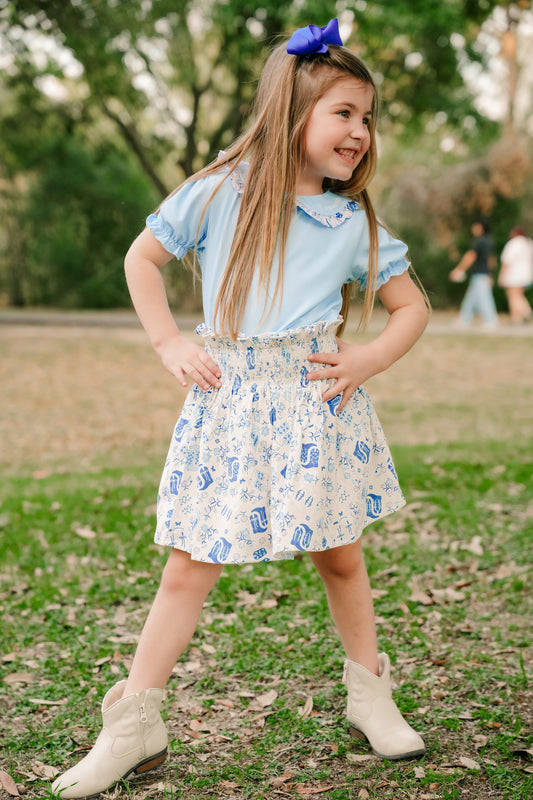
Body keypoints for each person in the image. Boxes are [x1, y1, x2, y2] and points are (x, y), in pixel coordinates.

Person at [52, 19, 429, 798]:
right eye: (343, 112)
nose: (359, 131)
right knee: (191, 564)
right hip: (230, 404)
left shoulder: (349, 220)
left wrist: (366, 359)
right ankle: (134, 723)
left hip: (316, 405)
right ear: (292, 111)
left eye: (366, 117)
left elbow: (411, 307)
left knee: (341, 555)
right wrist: (167, 342)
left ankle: (369, 693)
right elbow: (142, 258)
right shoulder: (219, 192)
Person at [449, 217, 498, 328]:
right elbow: (491, 260)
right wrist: (490, 274)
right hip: (483, 274)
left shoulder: (479, 241)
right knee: (471, 298)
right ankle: (464, 319)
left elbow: (471, 256)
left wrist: (459, 269)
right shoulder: (489, 240)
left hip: (480, 274)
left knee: (484, 299)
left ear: (480, 227)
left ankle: (490, 321)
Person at [498, 225, 533, 323]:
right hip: (526, 274)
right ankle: (516, 318)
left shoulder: (513, 243)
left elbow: (507, 261)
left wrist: (501, 276)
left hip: (514, 275)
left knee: (513, 296)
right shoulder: (529, 243)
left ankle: (526, 312)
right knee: (518, 295)